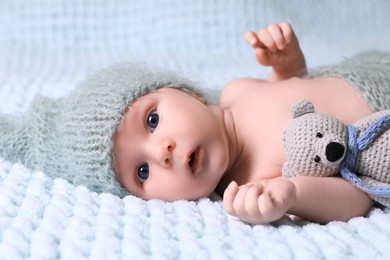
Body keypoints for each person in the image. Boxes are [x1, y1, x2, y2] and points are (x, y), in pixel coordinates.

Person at [1, 23, 389, 224]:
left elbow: (299, 92)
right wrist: (291, 196)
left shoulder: (238, 90)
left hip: (368, 70)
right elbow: (356, 195)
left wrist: (286, 61)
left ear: (185, 92)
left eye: (152, 120)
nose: (161, 152)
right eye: (141, 172)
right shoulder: (253, 184)